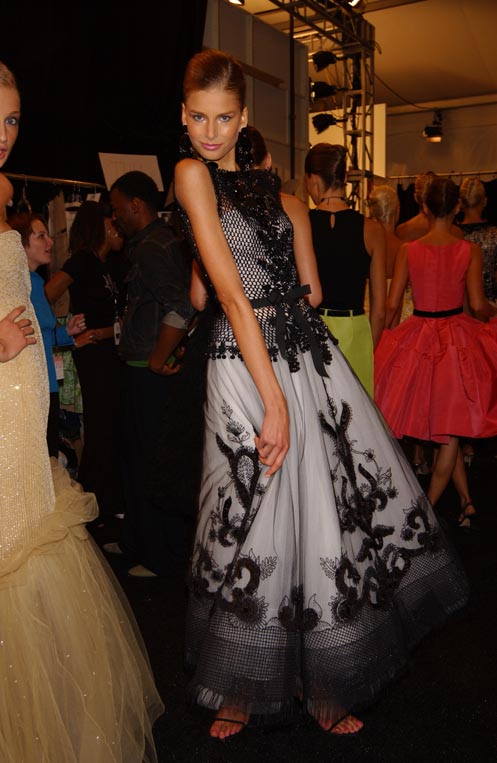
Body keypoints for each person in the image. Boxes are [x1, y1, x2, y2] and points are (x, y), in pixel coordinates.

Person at [175, 48, 468, 742]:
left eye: (224, 118)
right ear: (182, 116)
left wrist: (286, 350)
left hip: (303, 356)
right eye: (199, 117)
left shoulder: (273, 193)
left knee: (315, 509)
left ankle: (320, 680)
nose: (210, 132)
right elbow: (225, 298)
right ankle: (239, 684)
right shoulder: (191, 176)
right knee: (243, 510)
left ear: (243, 117)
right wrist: (273, 398)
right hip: (243, 365)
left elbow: (296, 290)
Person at [0, 59, 163, 762]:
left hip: (21, 408)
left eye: (11, 119)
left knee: (30, 545)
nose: (3, 133)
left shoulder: (2, 189)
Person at [374, 176, 497, 529]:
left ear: (424, 207)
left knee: (447, 431)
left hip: (419, 339)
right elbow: (478, 304)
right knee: (450, 430)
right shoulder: (468, 250)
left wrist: (382, 342)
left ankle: (435, 508)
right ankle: (434, 512)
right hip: (456, 343)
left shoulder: (408, 250)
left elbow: (392, 305)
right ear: (457, 207)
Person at [105, 170, 196, 578]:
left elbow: (181, 306)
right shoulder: (153, 242)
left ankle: (160, 556)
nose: (114, 217)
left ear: (136, 205)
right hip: (142, 368)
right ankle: (138, 542)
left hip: (149, 372)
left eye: (117, 208)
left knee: (151, 464)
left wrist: (159, 358)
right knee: (137, 461)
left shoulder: (154, 247)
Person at [45, 200, 127, 523]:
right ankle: (91, 505)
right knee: (100, 427)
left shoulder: (105, 265)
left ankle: (103, 502)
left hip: (108, 353)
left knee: (109, 426)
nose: (118, 227)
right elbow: (47, 293)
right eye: (112, 221)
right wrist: (72, 334)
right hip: (93, 354)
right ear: (102, 225)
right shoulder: (82, 260)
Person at [304, 143, 386, 397]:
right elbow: (380, 310)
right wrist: (367, 345)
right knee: (356, 414)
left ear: (313, 179)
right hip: (355, 330)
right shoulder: (372, 230)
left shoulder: (302, 224)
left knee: (316, 411)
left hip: (312, 328)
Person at [7, 210, 91, 457]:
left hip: (47, 383)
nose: (50, 242)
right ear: (21, 244)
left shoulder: (34, 281)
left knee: (48, 453)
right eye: (41, 236)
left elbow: (40, 337)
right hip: (31, 386)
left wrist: (67, 332)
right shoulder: (16, 284)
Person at [369, 184, 413, 327]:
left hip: (368, 318)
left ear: (373, 212)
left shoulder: (365, 246)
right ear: (397, 210)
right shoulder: (404, 248)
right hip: (400, 322)